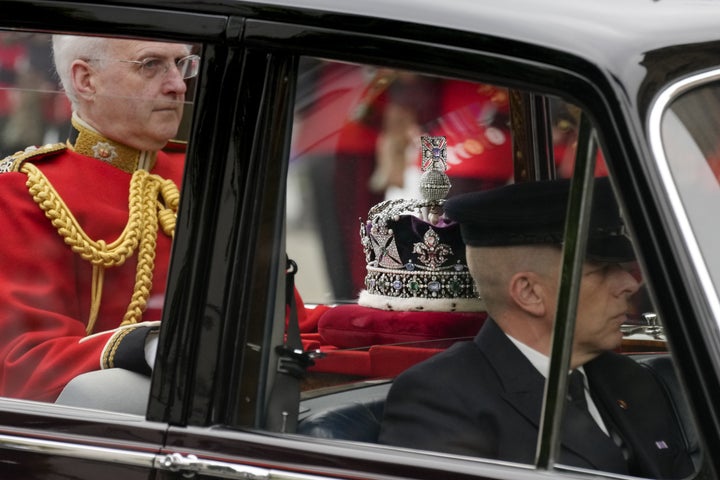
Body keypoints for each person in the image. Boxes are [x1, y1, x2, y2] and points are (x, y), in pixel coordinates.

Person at [378, 178, 695, 478]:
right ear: (529, 293)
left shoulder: (629, 378)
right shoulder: (443, 401)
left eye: (624, 268)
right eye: (601, 271)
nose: (629, 283)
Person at [0, 34, 198, 403]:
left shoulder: (201, 178)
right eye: (151, 65)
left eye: (182, 64)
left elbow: (284, 323)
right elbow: (23, 361)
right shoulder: (25, 192)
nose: (176, 85)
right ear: (86, 80)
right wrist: (144, 345)